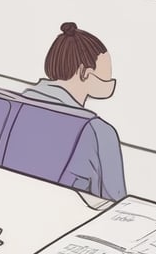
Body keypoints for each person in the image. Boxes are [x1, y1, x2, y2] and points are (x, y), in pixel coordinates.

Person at [23, 22, 126, 201]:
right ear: (84, 73)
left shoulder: (14, 104)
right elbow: (115, 204)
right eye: (106, 75)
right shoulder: (98, 132)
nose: (110, 82)